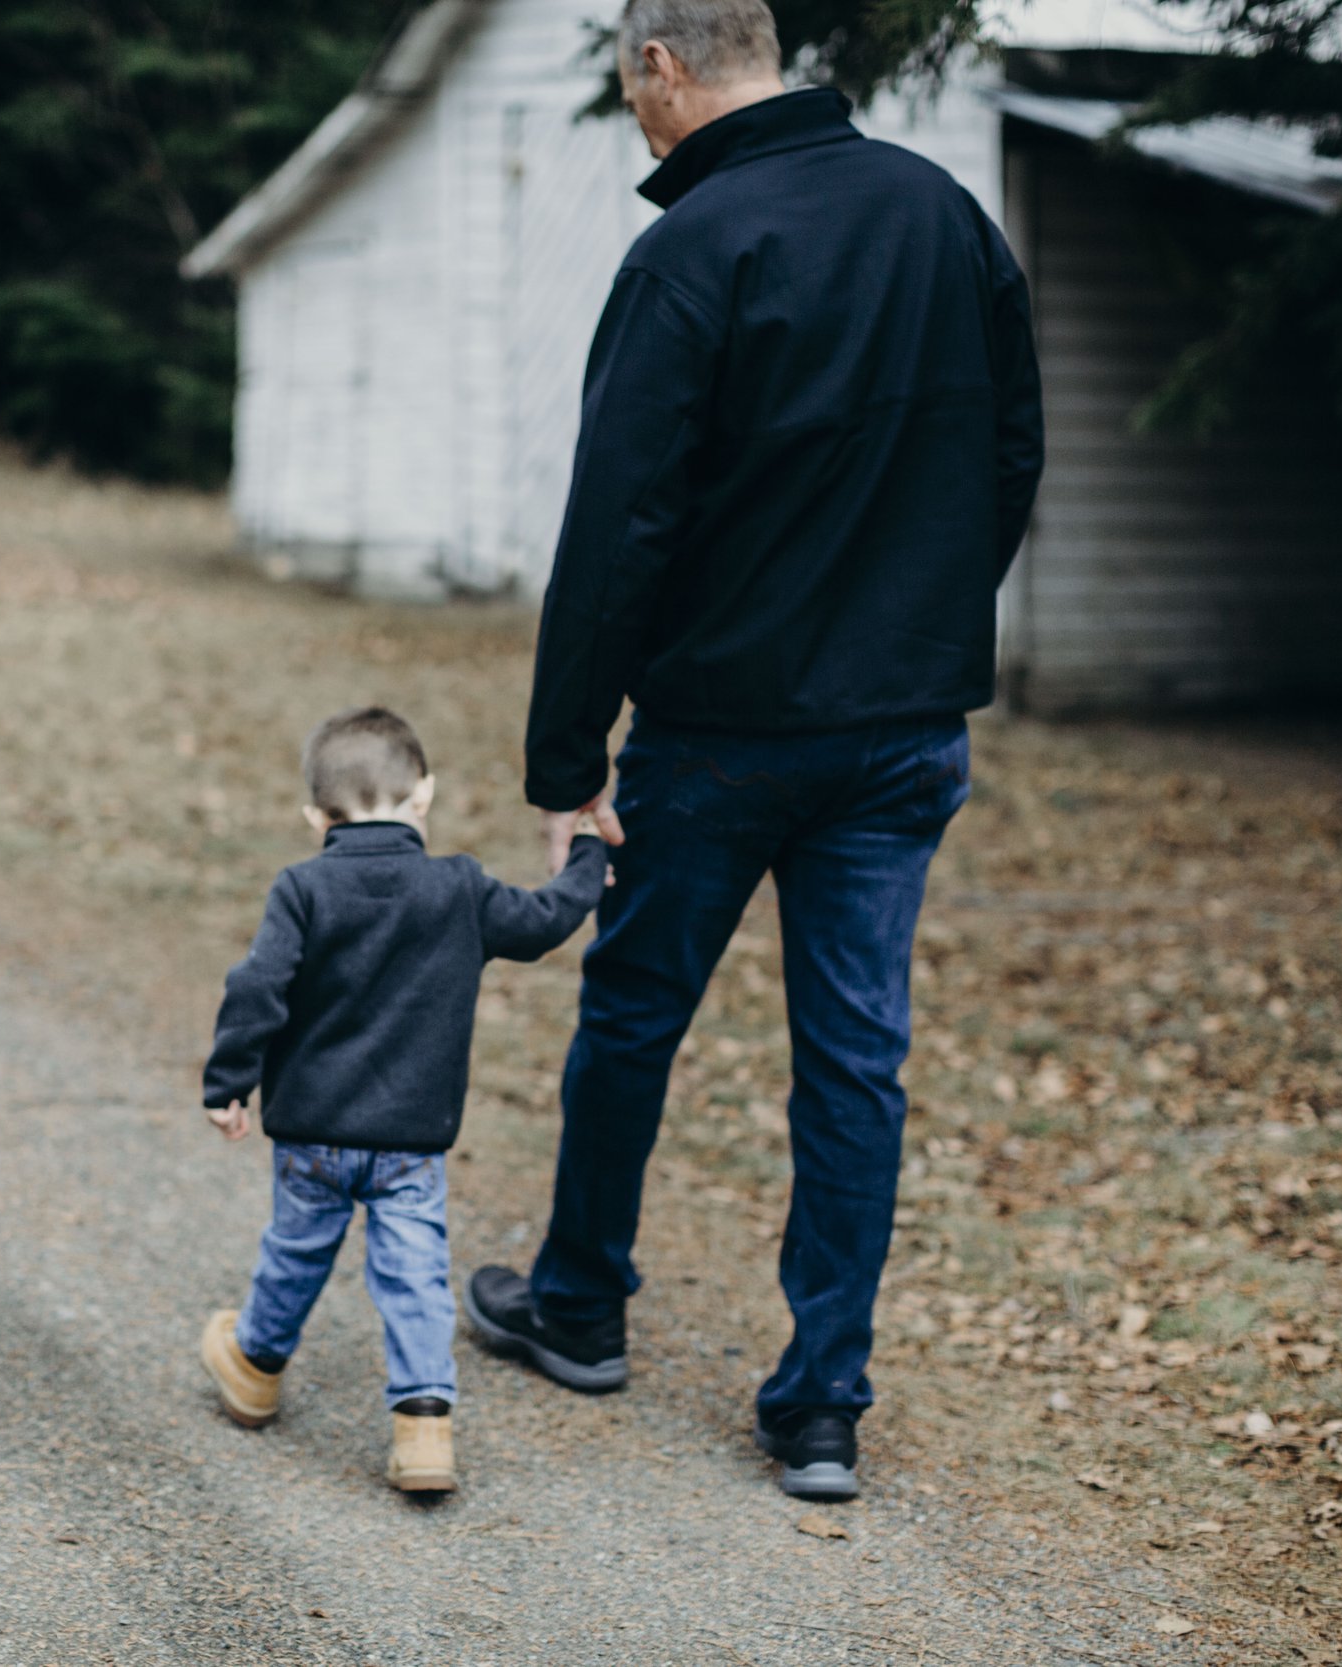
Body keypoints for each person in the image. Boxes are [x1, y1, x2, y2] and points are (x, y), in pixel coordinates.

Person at [461, 0, 1045, 1502]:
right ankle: (822, 1407)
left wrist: (565, 764)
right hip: (899, 733)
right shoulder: (943, 217)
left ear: (664, 65)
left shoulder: (689, 252)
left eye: (627, 84)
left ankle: (581, 1304)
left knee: (636, 1012)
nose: (635, 114)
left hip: (718, 737)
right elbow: (1012, 454)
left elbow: (617, 530)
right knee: (858, 1062)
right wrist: (916, 622)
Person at [196, 707, 609, 1494]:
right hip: (411, 1140)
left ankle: (253, 1366)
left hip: (313, 1134)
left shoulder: (303, 886)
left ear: (316, 816)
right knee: (415, 1273)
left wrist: (229, 1083)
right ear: (424, 794)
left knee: (296, 1250)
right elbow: (546, 921)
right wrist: (586, 857)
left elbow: (257, 987)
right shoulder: (459, 887)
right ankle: (424, 1427)